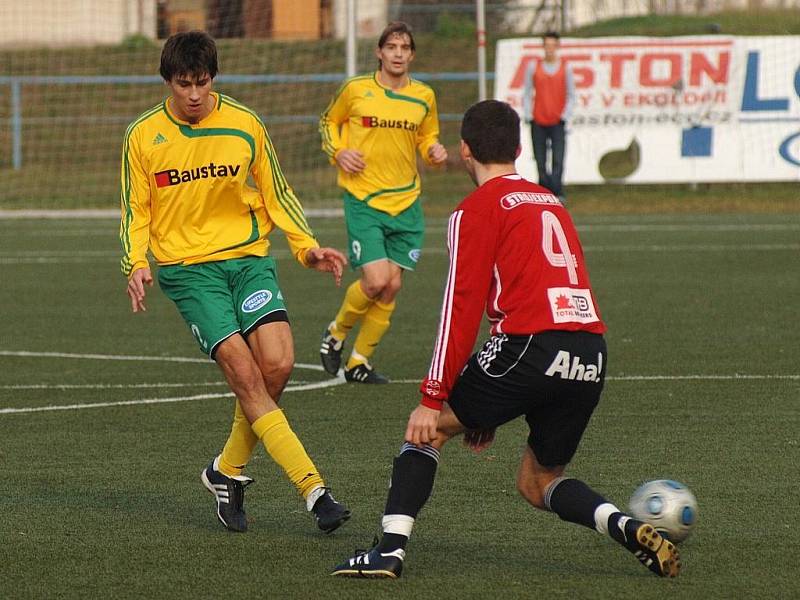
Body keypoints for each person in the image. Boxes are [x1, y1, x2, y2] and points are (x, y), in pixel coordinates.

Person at [331, 100, 681, 579]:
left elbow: (460, 309)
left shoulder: (474, 209)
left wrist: (432, 397)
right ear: (519, 148)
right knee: (538, 482)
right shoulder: (550, 200)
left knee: (428, 430)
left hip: (528, 343)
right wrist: (488, 397)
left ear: (464, 150)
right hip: (589, 352)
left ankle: (388, 551)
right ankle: (621, 524)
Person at [120, 31, 351, 535]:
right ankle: (315, 492)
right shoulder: (142, 135)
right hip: (188, 271)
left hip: (248, 261)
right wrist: (135, 261)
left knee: (279, 364)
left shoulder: (246, 124)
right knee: (246, 377)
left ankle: (225, 471)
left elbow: (277, 192)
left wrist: (306, 246)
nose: (195, 95)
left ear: (213, 79)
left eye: (202, 83)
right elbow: (135, 209)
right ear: (168, 82)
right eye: (184, 85)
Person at [318, 21, 448, 384]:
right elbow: (328, 122)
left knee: (392, 286)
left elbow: (428, 138)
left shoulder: (424, 96)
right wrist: (339, 152)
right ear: (379, 52)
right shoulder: (356, 89)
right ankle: (336, 333)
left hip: (407, 202)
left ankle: (359, 362)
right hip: (365, 199)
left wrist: (435, 153)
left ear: (412, 55)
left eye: (404, 48)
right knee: (375, 281)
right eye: (391, 47)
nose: (398, 54)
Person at [522, 31, 575, 201]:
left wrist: (564, 116)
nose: (550, 49)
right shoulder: (534, 67)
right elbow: (527, 92)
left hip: (557, 122)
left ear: (558, 47)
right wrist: (529, 114)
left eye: (553, 46)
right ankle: (543, 191)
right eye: (547, 45)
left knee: (558, 159)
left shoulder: (565, 68)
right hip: (538, 120)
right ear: (543, 47)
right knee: (540, 160)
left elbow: (572, 94)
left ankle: (557, 191)